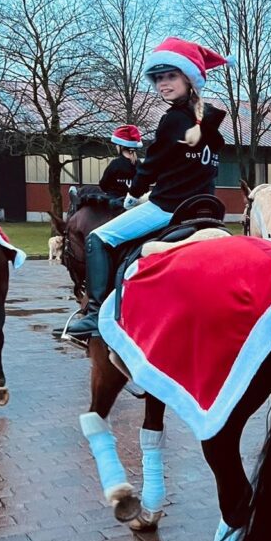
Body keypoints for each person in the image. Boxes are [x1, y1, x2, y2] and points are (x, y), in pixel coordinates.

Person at [66, 37, 229, 338]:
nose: (163, 84)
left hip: (168, 207)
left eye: (171, 76)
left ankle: (95, 315)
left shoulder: (172, 120)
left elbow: (150, 166)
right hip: (206, 209)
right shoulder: (209, 123)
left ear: (189, 77)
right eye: (158, 78)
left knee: (99, 239)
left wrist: (132, 195)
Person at [99, 125, 143, 200]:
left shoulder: (115, 164)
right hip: (133, 203)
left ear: (121, 147)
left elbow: (103, 185)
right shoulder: (139, 164)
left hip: (114, 203)